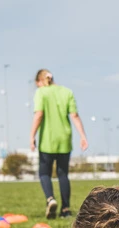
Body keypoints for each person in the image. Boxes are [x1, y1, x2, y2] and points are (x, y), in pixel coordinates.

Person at [28, 69, 88, 219]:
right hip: (64, 139)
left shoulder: (41, 92)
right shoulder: (66, 92)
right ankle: (66, 209)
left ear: (39, 81)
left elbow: (39, 114)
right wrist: (83, 136)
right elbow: (74, 115)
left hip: (48, 139)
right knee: (63, 174)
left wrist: (32, 135)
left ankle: (50, 199)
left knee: (44, 173)